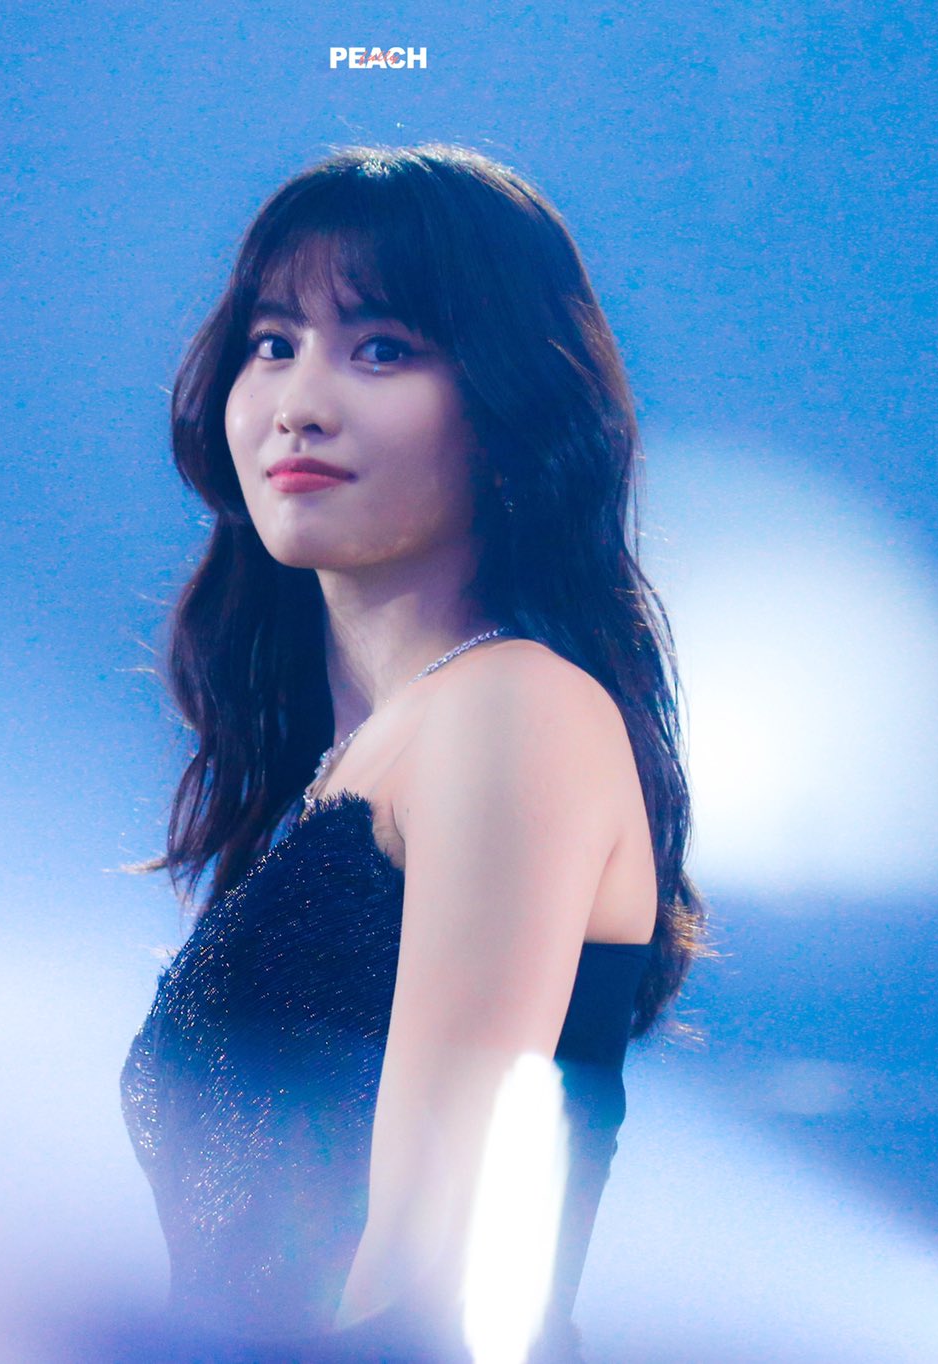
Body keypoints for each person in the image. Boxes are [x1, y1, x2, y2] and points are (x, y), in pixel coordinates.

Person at [118, 143, 707, 1364]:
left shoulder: (512, 707)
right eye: (271, 342)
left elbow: (422, 1276)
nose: (299, 399)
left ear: (507, 401)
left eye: (380, 347)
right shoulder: (357, 757)